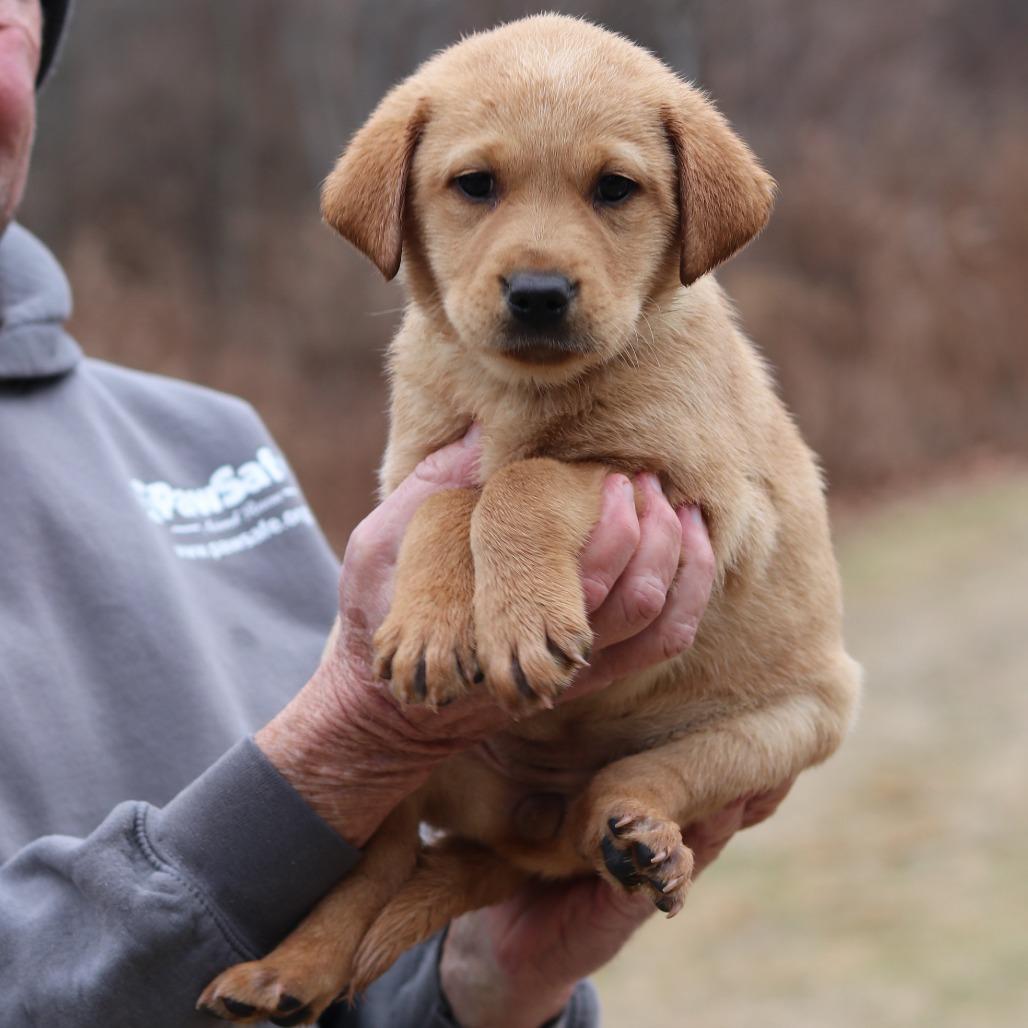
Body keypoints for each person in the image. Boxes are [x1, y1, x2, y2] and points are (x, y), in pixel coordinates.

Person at [0, 3, 791, 1026]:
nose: (540, 263)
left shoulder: (210, 440)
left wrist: (484, 986)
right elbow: (374, 748)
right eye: (475, 185)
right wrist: (356, 737)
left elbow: (383, 843)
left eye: (613, 190)